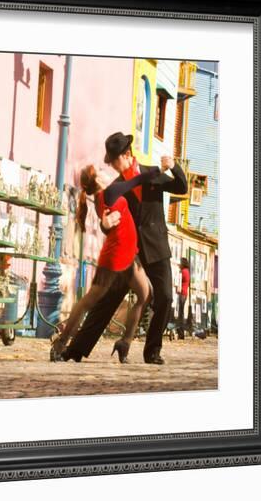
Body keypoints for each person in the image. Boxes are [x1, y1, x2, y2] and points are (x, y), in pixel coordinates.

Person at [65, 131, 188, 364]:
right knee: (108, 301)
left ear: (127, 154)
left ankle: (152, 351)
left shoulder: (152, 174)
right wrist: (104, 225)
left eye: (114, 160)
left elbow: (181, 187)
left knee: (164, 298)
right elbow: (107, 218)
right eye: (109, 162)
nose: (112, 165)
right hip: (130, 253)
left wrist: (173, 166)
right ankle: (75, 349)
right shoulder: (117, 185)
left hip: (157, 246)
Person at [50, 163, 160, 364]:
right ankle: (60, 343)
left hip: (128, 255)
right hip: (115, 258)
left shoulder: (102, 198)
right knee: (87, 302)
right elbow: (137, 180)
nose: (103, 170)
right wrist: (156, 171)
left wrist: (106, 224)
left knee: (145, 295)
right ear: (97, 180)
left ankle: (124, 342)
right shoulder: (109, 192)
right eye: (99, 170)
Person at [176, 257, 190, 340]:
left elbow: (179, 280)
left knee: (181, 313)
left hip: (182, 293)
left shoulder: (183, 271)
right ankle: (181, 332)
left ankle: (181, 332)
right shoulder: (187, 271)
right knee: (181, 313)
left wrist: (179, 271)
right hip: (184, 293)